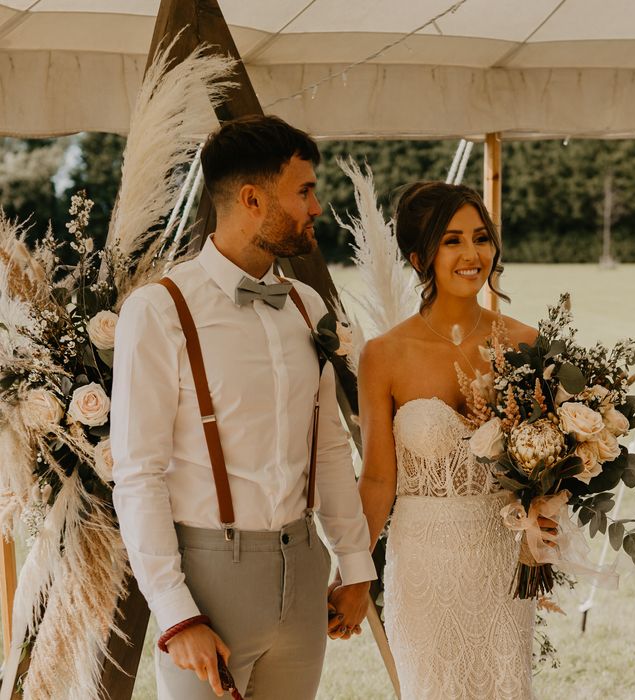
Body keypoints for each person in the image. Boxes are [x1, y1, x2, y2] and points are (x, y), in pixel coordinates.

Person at [111, 115, 376, 699]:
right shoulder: (159, 312)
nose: (317, 207)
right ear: (252, 199)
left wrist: (355, 564)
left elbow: (328, 444)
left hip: (303, 571)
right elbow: (137, 474)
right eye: (304, 191)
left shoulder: (305, 305)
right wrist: (178, 613)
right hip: (209, 579)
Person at [330, 182, 550, 699]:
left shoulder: (525, 343)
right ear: (419, 257)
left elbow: (548, 460)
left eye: (480, 237)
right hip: (423, 565)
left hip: (502, 562)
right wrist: (356, 572)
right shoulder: (384, 355)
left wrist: (549, 507)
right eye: (452, 241)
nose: (472, 254)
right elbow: (380, 479)